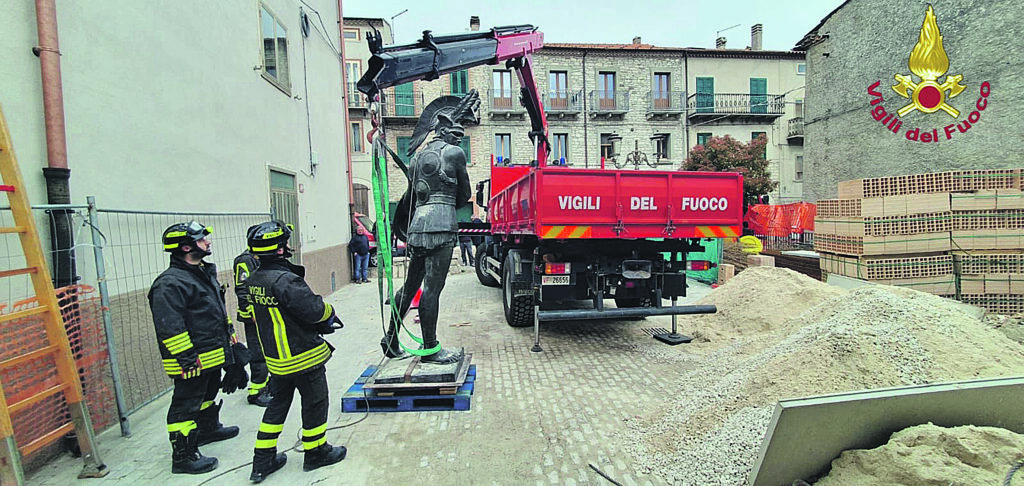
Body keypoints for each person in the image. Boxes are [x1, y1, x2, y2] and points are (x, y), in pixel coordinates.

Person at [244, 220, 346, 482]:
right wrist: (329, 312)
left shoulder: (254, 280)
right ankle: (316, 452)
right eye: (284, 243)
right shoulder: (284, 280)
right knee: (315, 402)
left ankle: (263, 460)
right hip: (302, 356)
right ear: (279, 250)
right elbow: (313, 310)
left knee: (277, 405)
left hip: (277, 361)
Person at [149, 221, 243, 474]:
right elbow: (170, 327)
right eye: (202, 240)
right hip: (191, 361)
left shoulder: (201, 273)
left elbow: (218, 315)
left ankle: (207, 430)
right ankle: (183, 457)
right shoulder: (170, 284)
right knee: (185, 404)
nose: (208, 242)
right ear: (186, 247)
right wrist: (187, 360)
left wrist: (233, 348)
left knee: (208, 393)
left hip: (211, 355)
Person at [381, 112, 471, 364]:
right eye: (456, 135)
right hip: (441, 225)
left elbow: (410, 199)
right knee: (431, 290)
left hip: (418, 226)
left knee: (410, 287)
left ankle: (391, 338)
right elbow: (465, 194)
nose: (458, 141)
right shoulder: (454, 154)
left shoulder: (416, 158)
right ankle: (430, 348)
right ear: (442, 131)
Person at [233, 230, 272, 407]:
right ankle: (256, 392)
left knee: (267, 350)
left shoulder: (259, 258)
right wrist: (252, 312)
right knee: (258, 353)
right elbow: (242, 288)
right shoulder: (245, 260)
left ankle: (266, 385)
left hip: (264, 314)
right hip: (253, 317)